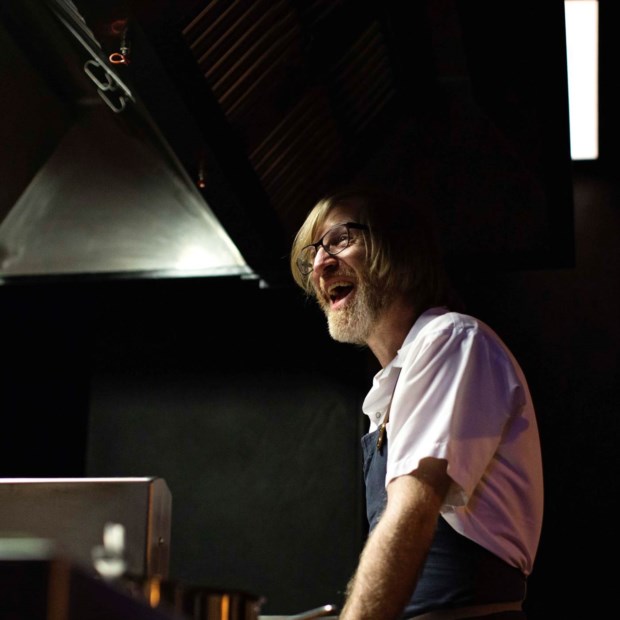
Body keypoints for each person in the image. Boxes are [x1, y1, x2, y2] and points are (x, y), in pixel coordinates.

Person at [289, 186, 544, 620]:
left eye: (340, 240)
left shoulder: (451, 338)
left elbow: (412, 510)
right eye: (311, 254)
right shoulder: (391, 387)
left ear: (400, 250)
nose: (319, 265)